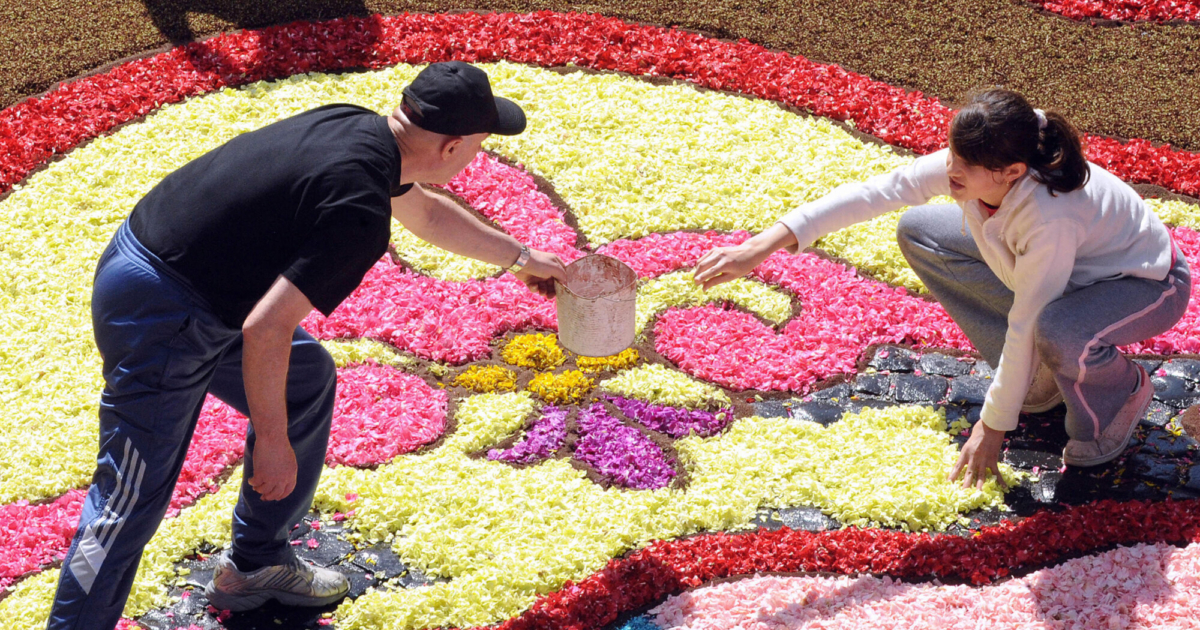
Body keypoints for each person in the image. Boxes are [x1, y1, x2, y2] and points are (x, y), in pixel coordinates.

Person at [47, 61, 567, 629]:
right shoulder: (359, 212)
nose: (476, 156)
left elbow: (423, 212)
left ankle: (256, 564)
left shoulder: (358, 129)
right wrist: (272, 442)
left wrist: (521, 258)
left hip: (180, 277)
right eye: (479, 144)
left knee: (305, 378)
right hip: (165, 312)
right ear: (451, 147)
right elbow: (265, 329)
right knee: (127, 504)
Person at [693, 88, 1189, 490]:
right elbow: (878, 191)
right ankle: (1038, 384)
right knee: (921, 231)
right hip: (1064, 277)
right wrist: (759, 247)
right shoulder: (984, 159)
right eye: (951, 153)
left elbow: (1027, 319)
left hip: (1146, 285)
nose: (950, 168)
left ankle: (1119, 393)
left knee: (1056, 330)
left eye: (964, 164)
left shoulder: (1050, 215)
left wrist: (991, 428)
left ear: (1012, 173)